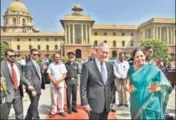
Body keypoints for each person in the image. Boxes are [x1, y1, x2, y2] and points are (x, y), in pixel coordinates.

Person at [126, 48, 172, 119]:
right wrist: (128, 89)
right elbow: (127, 85)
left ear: (145, 56)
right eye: (137, 57)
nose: (140, 58)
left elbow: (165, 84)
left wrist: (157, 88)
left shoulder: (153, 69)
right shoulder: (131, 70)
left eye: (141, 56)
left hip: (151, 104)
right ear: (134, 58)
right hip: (136, 103)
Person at [80, 42, 115, 120]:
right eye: (103, 52)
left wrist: (112, 101)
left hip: (107, 104)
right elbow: (83, 86)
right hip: (93, 104)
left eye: (107, 53)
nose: (105, 55)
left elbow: (112, 85)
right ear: (96, 51)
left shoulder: (110, 66)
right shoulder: (87, 66)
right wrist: (85, 103)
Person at [0, 49, 34, 119]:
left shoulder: (18, 65)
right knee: (4, 116)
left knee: (20, 114)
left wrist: (28, 84)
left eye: (14, 56)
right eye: (11, 56)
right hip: (6, 94)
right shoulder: (1, 65)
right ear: (6, 56)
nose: (13, 57)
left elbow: (21, 77)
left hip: (18, 92)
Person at [24, 48, 45, 119]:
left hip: (38, 87)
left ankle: (28, 118)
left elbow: (38, 75)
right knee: (34, 106)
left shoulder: (37, 64)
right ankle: (37, 118)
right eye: (34, 54)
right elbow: (28, 78)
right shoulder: (28, 65)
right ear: (30, 55)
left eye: (37, 54)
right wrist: (32, 89)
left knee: (34, 104)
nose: (36, 56)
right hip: (33, 88)